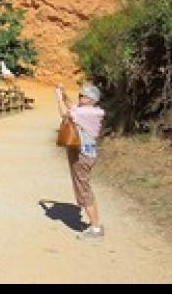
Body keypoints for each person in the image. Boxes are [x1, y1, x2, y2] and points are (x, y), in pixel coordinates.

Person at [56, 83, 106, 239]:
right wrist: (64, 94)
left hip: (82, 155)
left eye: (83, 96)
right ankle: (95, 224)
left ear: (91, 100)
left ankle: (96, 228)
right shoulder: (90, 111)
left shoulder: (87, 113)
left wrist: (58, 99)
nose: (80, 97)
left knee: (83, 190)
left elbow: (65, 114)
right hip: (85, 153)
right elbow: (73, 107)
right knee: (84, 187)